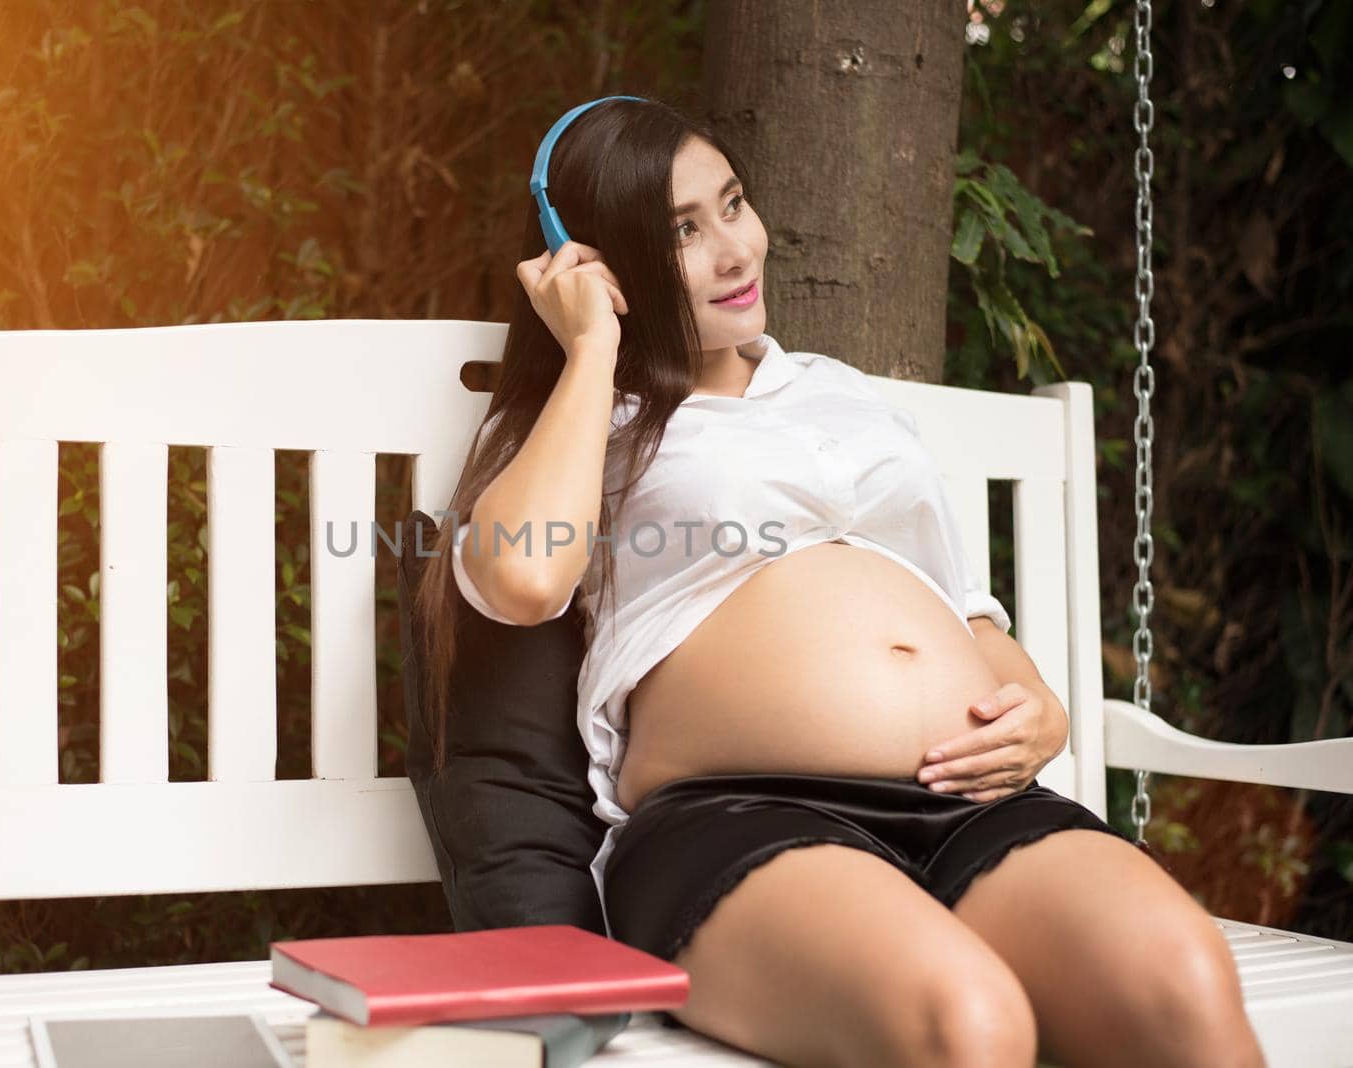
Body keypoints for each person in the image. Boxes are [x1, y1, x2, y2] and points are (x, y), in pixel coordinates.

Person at [411, 96, 1267, 1068]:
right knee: (968, 1026)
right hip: (741, 821)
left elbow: (960, 604)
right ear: (596, 264)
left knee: (1184, 989)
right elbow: (521, 579)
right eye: (682, 232)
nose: (735, 250)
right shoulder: (583, 422)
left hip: (971, 807)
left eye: (732, 204)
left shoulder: (839, 392)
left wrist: (1038, 706)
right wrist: (592, 350)